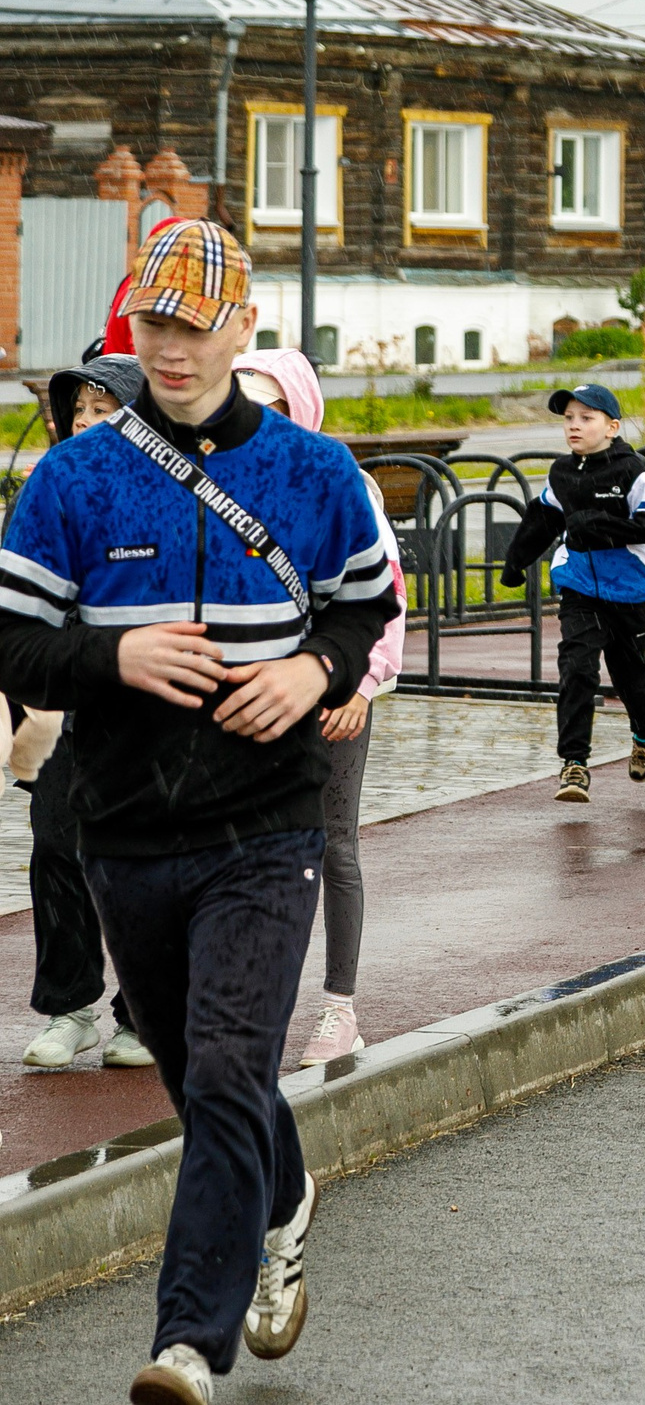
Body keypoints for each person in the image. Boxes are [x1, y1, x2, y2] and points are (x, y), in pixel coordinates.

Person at [0, 217, 400, 1404]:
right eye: (156, 325)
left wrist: (313, 672)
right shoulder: (73, 476)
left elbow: (364, 610)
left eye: (198, 324)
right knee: (196, 1072)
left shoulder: (316, 473)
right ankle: (282, 1199)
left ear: (245, 326)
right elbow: (14, 641)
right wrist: (114, 660)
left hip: (267, 828)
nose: (174, 349)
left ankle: (186, 1345)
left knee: (231, 1064)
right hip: (126, 827)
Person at [232, 349, 407, 1070]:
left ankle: (340, 1008)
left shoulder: (344, 488)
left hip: (332, 694)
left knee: (332, 844)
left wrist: (362, 684)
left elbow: (384, 593)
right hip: (245, 696)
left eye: (269, 408)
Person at [17, 356, 154, 1073]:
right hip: (65, 706)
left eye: (106, 412)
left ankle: (142, 1015)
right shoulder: (47, 492)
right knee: (55, 843)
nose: (87, 425)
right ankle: (70, 1008)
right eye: (80, 412)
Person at [501, 383, 645, 805]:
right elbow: (543, 518)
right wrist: (515, 561)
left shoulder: (633, 471)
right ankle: (574, 764)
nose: (574, 426)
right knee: (577, 668)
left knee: (629, 676)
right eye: (568, 418)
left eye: (586, 418)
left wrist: (601, 525)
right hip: (578, 586)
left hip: (631, 590)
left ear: (612, 427)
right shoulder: (561, 472)